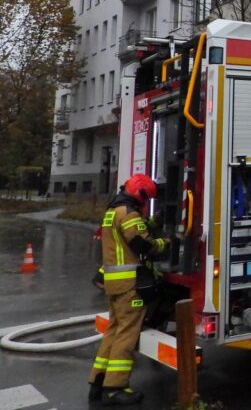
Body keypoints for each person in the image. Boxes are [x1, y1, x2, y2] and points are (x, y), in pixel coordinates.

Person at [89, 174, 169, 406]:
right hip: (129, 287)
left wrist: (154, 222)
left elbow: (131, 233)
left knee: (113, 331)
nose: (145, 205)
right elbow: (143, 244)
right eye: (146, 200)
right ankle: (115, 388)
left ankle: (99, 381)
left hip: (114, 284)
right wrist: (167, 243)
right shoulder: (128, 214)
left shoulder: (113, 212)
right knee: (126, 335)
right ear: (140, 194)